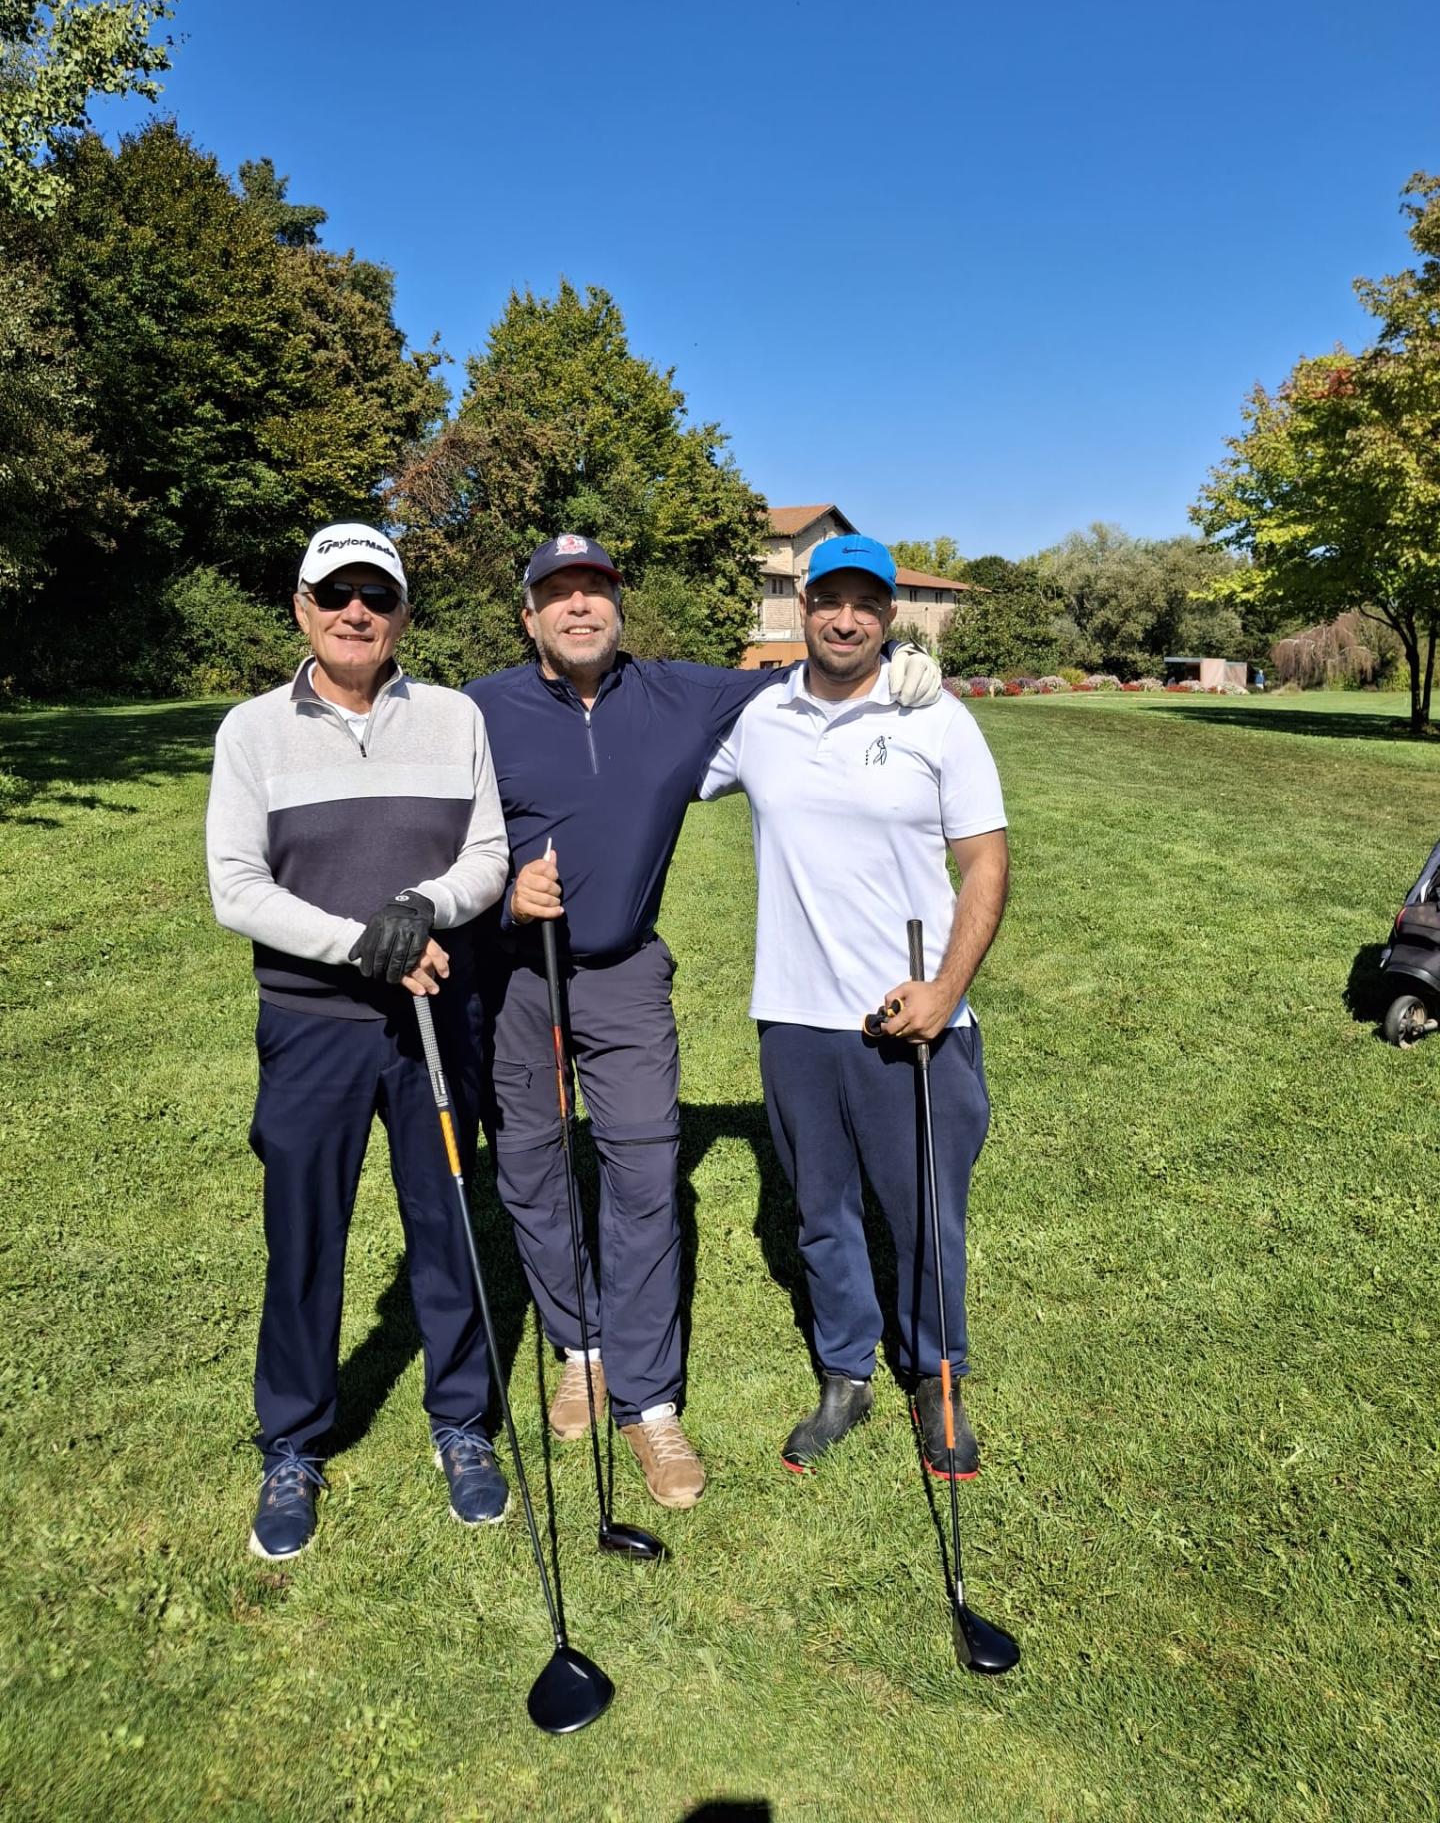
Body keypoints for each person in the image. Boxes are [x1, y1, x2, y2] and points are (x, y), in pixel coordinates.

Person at [464, 534, 942, 1509]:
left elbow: (814, 667)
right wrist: (505, 895)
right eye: (558, 594)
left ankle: (649, 1404)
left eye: (595, 589)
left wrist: (897, 663)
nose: (580, 607)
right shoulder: (477, 711)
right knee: (531, 1170)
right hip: (512, 974)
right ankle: (581, 1346)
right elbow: (427, 839)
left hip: (626, 973)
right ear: (529, 616)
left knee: (645, 1174)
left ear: (619, 605)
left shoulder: (678, 693)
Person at [206, 522, 511, 1560]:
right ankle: (293, 1441)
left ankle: (461, 1423)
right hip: (311, 1029)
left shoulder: (456, 716)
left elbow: (488, 854)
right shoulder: (251, 731)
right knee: (305, 1243)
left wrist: (421, 906)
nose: (355, 613)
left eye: (375, 595)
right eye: (334, 593)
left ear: (402, 614)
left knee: (449, 1227)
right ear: (300, 609)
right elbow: (235, 888)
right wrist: (362, 946)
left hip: (434, 1020)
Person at [698, 535, 1009, 1478]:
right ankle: (846, 1375)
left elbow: (985, 860)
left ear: (888, 615)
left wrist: (946, 991)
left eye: (864, 604)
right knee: (823, 1210)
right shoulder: (758, 717)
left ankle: (935, 1375)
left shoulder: (937, 716)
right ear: (801, 603)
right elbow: (653, 755)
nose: (844, 619)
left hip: (914, 1017)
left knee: (923, 1213)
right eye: (827, 599)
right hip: (795, 1015)